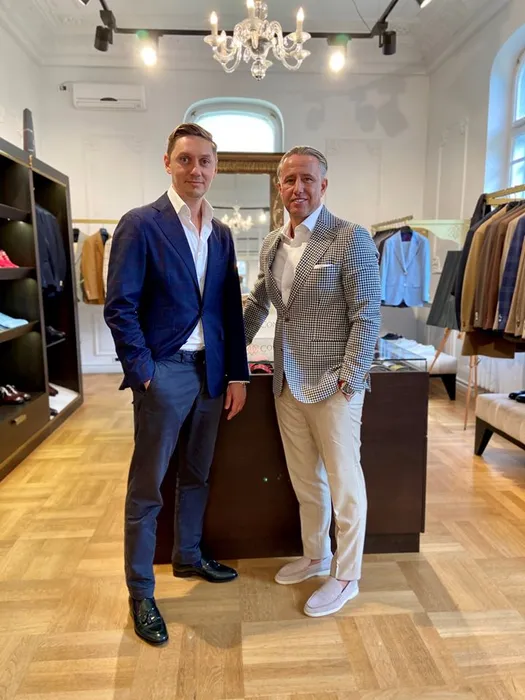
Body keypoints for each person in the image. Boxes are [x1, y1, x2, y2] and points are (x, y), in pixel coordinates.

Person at [104, 123, 249, 645]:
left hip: (211, 373)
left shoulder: (222, 233)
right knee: (147, 488)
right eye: (186, 159)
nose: (196, 170)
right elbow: (120, 306)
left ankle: (187, 556)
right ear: (168, 163)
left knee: (197, 474)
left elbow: (227, 309)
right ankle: (141, 592)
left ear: (216, 167)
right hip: (163, 373)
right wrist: (144, 372)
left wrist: (237, 372)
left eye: (205, 160)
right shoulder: (141, 224)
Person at [243, 146, 381, 618]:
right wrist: (227, 349)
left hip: (334, 383)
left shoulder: (349, 237)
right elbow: (259, 304)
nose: (297, 188)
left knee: (345, 483)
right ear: (279, 187)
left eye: (307, 179)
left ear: (323, 185)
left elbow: (367, 314)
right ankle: (316, 554)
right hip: (287, 382)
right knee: (306, 479)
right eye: (289, 180)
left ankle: (347, 575)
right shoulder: (272, 243)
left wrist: (350, 378)